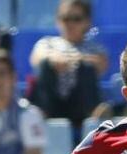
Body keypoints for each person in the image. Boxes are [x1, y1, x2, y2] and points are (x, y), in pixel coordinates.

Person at [29, 0, 106, 144]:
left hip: (79, 103)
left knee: (87, 68)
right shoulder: (48, 43)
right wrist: (53, 59)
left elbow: (102, 64)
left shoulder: (93, 48)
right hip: (52, 100)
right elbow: (36, 59)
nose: (70, 24)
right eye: (65, 19)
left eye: (76, 19)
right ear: (58, 21)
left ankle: (92, 114)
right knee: (46, 65)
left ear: (87, 22)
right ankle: (43, 113)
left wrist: (77, 60)